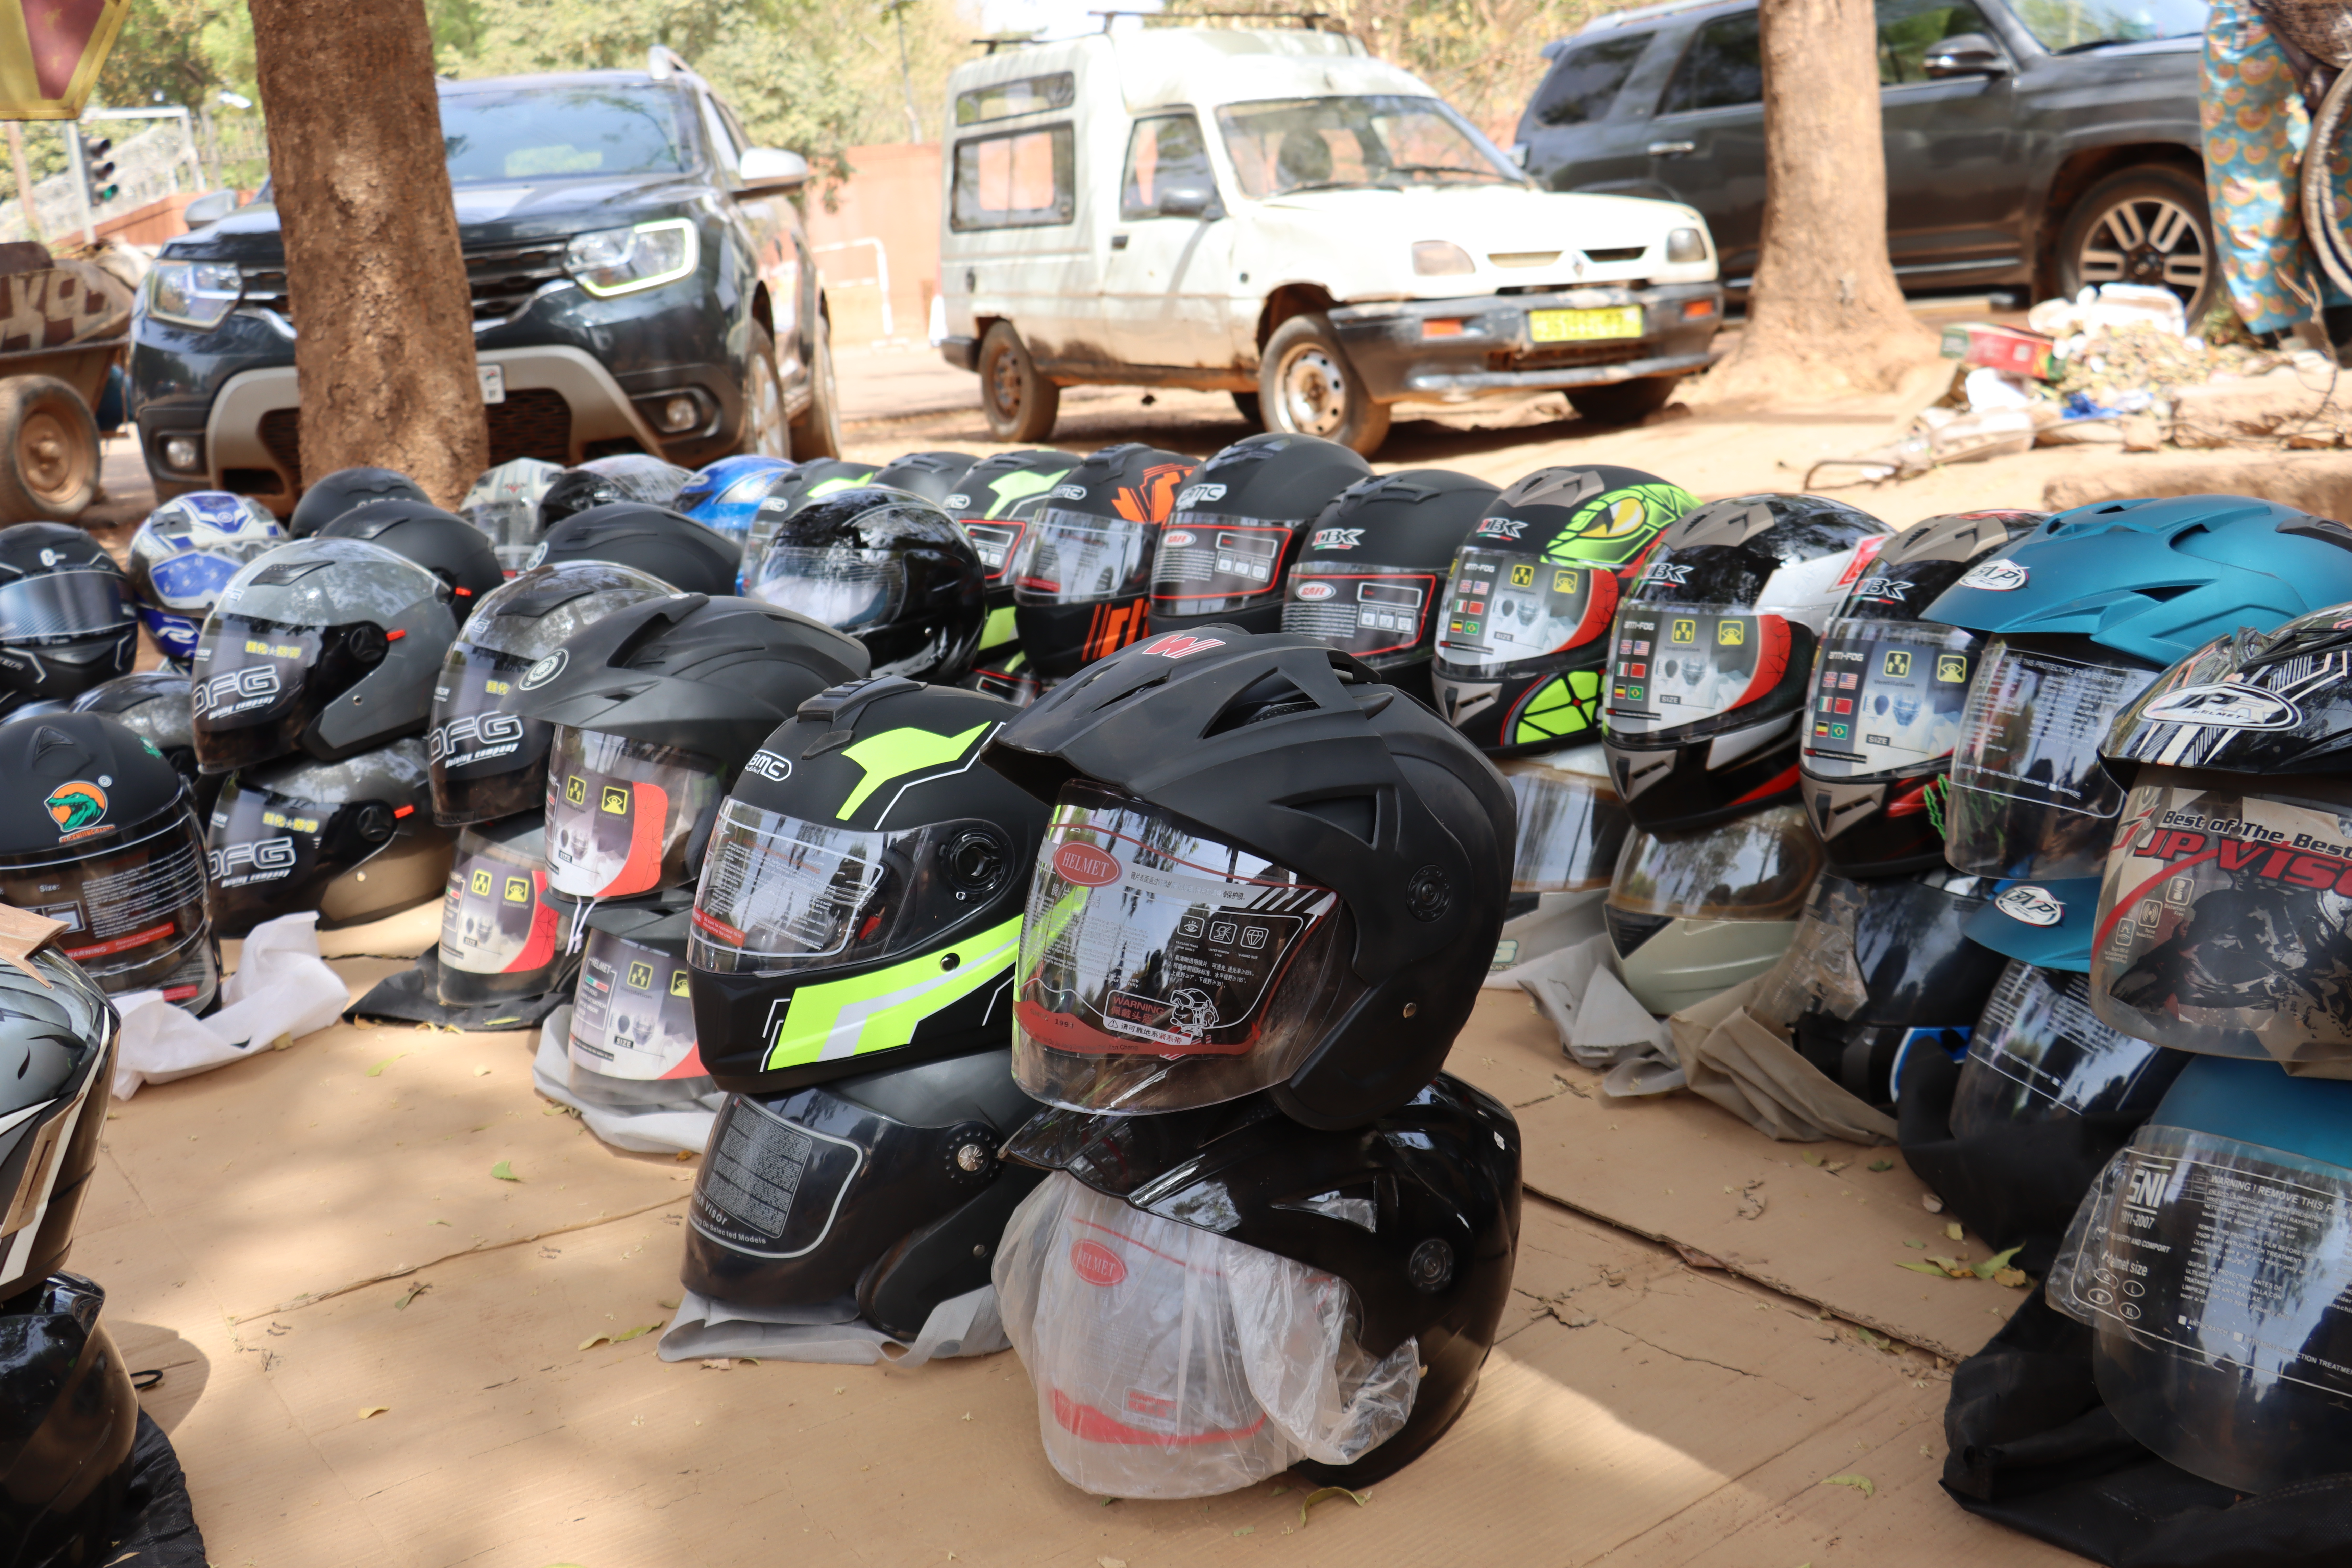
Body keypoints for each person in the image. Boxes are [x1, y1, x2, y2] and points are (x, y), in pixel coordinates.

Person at [2204, 0, 2352, 345]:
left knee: (2333, 194)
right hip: (2260, 29)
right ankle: (2301, 341)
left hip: (2330, 43)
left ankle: (2321, 339)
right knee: (2260, 194)